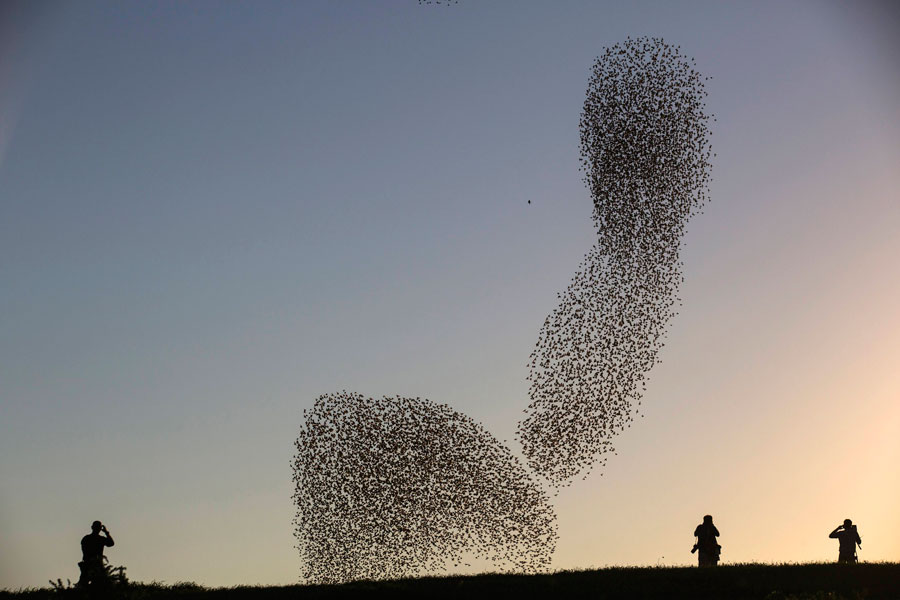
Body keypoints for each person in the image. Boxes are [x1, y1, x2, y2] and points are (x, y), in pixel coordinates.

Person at [78, 520, 115, 588]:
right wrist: (106, 532)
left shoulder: (87, 538)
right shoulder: (99, 539)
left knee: (84, 585)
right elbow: (111, 543)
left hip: (91, 564)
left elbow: (111, 543)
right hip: (94, 564)